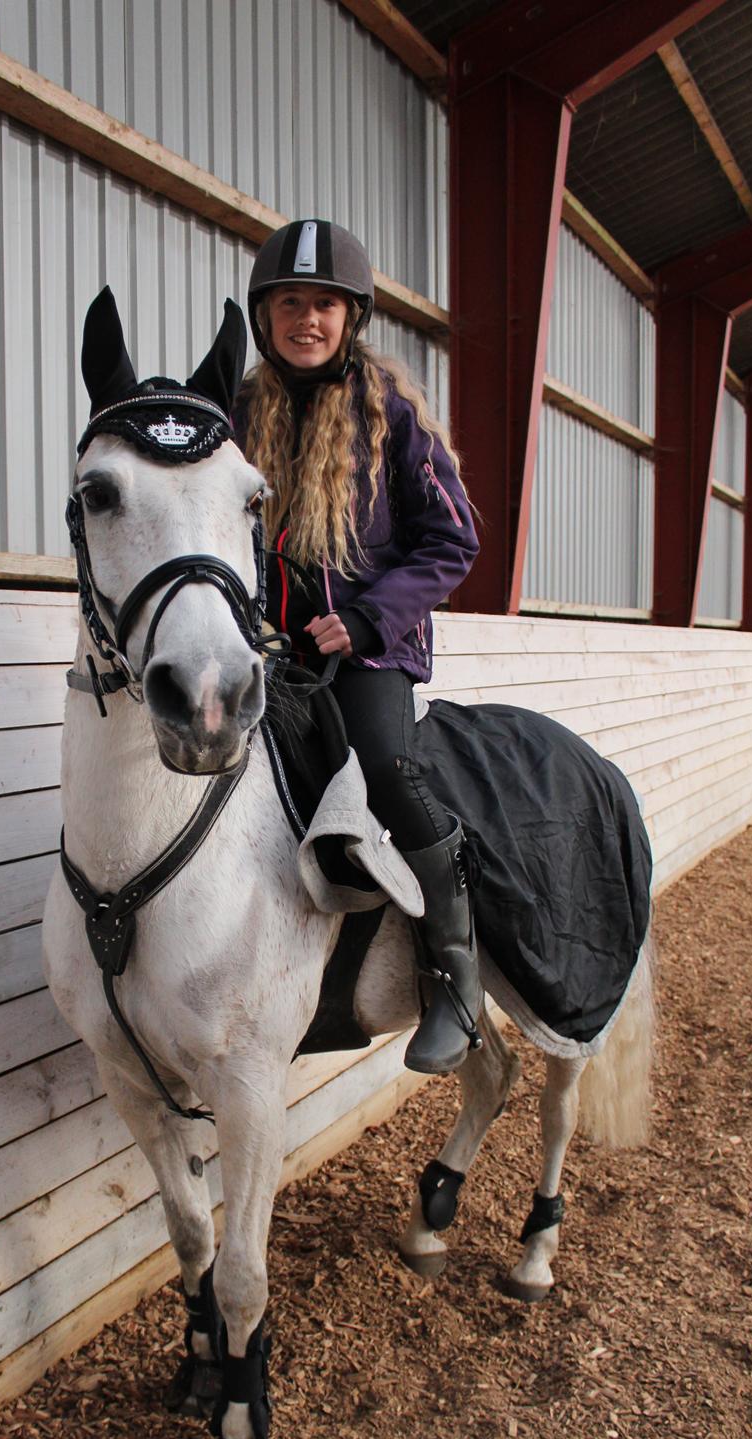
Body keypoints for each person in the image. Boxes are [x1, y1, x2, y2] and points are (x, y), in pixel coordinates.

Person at [234, 218, 482, 1075]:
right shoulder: (239, 413)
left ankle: (452, 978)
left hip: (370, 650)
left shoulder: (392, 414)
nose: (307, 319)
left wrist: (372, 617)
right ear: (266, 316)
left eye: (324, 306)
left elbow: (453, 543)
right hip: (270, 649)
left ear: (352, 319)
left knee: (381, 765)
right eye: (290, 303)